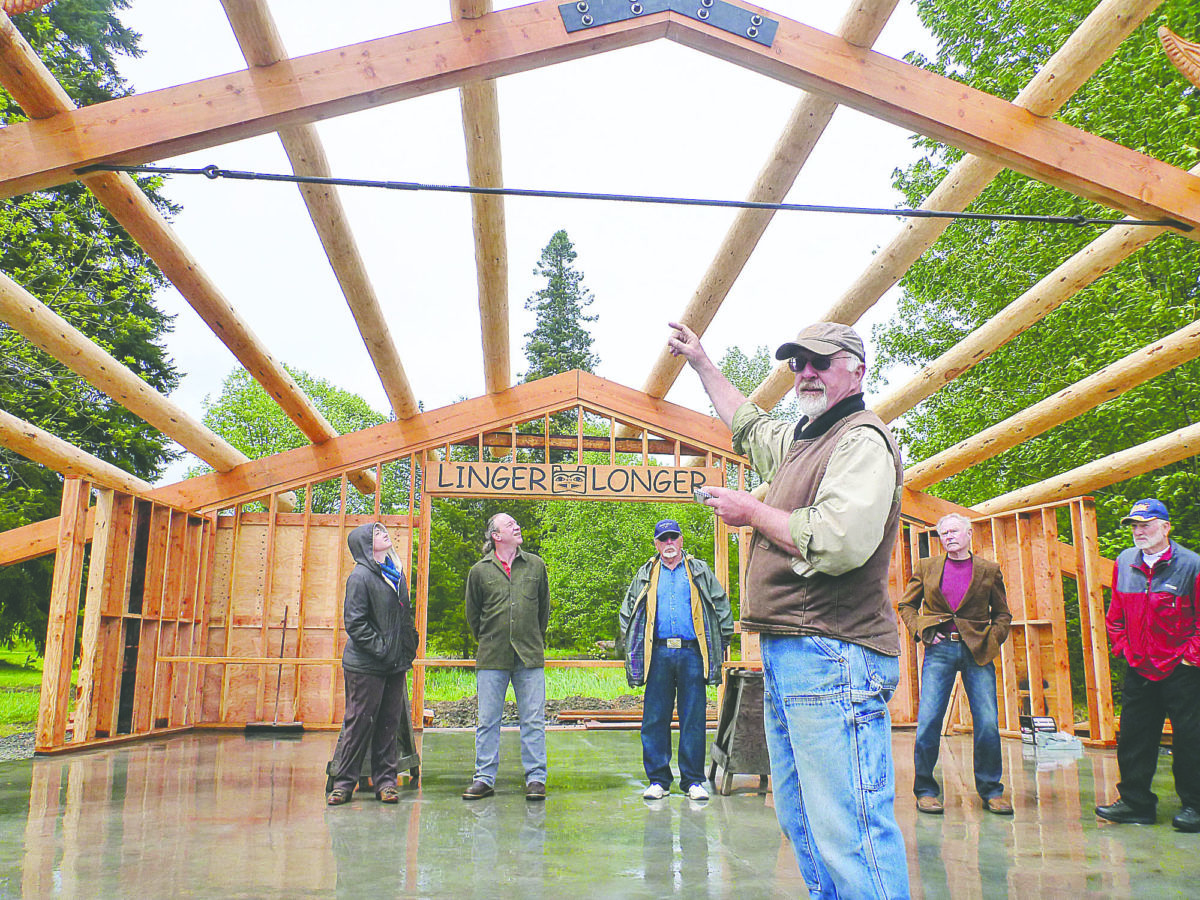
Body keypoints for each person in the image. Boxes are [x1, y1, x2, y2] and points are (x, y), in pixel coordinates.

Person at [668, 319, 910, 899]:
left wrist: (751, 511)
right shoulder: (805, 440)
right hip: (796, 652)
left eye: (820, 362)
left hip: (834, 651)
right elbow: (748, 423)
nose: (806, 373)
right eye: (798, 363)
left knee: (848, 826)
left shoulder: (860, 440)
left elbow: (838, 540)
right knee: (801, 817)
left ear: (856, 370)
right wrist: (702, 362)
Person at [898, 513, 1013, 816]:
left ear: (968, 534)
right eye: (943, 533)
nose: (948, 537)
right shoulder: (927, 567)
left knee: (987, 722)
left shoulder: (988, 570)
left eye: (953, 531)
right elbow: (906, 605)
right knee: (929, 721)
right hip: (940, 651)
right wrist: (921, 630)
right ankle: (925, 791)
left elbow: (1003, 614)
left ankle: (992, 791)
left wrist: (993, 638)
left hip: (978, 651)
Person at [1096, 498, 1200, 833]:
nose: (1139, 532)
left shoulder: (1191, 565)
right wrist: (1123, 647)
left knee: (1190, 739)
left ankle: (1195, 806)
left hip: (1181, 668)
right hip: (1140, 666)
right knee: (1133, 736)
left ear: (1166, 527)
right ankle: (1136, 803)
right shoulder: (1125, 562)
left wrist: (1190, 657)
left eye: (1146, 525)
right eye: (1135, 526)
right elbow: (1115, 614)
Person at [619, 518, 734, 802]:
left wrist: (722, 641)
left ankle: (693, 781)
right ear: (656, 544)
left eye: (673, 538)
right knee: (654, 718)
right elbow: (627, 612)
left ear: (681, 540)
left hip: (692, 653)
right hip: (657, 654)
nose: (669, 543)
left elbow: (721, 605)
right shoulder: (646, 573)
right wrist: (632, 643)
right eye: (663, 539)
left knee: (693, 718)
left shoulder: (699, 571)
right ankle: (658, 780)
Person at [326, 522, 418, 806]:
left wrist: (408, 646)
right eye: (377, 532)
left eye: (383, 530)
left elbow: (403, 617)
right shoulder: (360, 577)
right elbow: (355, 623)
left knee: (389, 724)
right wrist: (383, 650)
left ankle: (386, 783)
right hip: (365, 665)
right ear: (365, 544)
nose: (384, 533)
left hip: (394, 664)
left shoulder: (396, 574)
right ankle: (343, 784)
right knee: (359, 724)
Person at [462, 512, 551, 801]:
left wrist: (532, 638)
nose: (517, 526)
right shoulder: (479, 571)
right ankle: (484, 778)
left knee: (534, 720)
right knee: (487, 720)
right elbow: (473, 615)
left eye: (516, 523)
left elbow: (543, 611)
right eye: (510, 524)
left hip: (529, 657)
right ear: (496, 536)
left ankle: (536, 778)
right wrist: (490, 638)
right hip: (492, 657)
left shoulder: (536, 566)